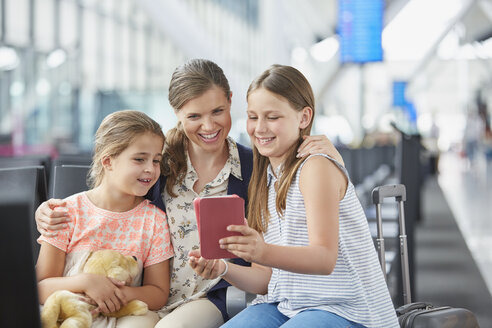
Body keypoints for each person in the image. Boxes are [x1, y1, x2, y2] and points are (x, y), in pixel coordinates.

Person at [35, 59, 345, 327]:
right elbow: (112, 200)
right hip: (148, 293)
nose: (208, 125)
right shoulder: (159, 162)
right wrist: (47, 209)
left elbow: (301, 175)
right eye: (194, 116)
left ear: (231, 102)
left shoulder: (256, 165)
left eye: (218, 111)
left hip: (213, 293)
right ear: (177, 113)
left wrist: (331, 155)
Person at [189, 65, 399, 328]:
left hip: (348, 310)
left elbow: (324, 259)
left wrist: (262, 251)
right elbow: (265, 279)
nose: (260, 128)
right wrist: (224, 269)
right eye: (253, 117)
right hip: (287, 305)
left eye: (273, 117)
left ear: (303, 118)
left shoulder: (315, 167)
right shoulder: (264, 177)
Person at [36, 110, 173, 328]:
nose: (151, 169)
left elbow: (158, 293)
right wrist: (86, 283)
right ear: (108, 161)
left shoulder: (154, 221)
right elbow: (40, 286)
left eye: (156, 160)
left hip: (123, 317)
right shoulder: (66, 212)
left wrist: (116, 294)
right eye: (139, 159)